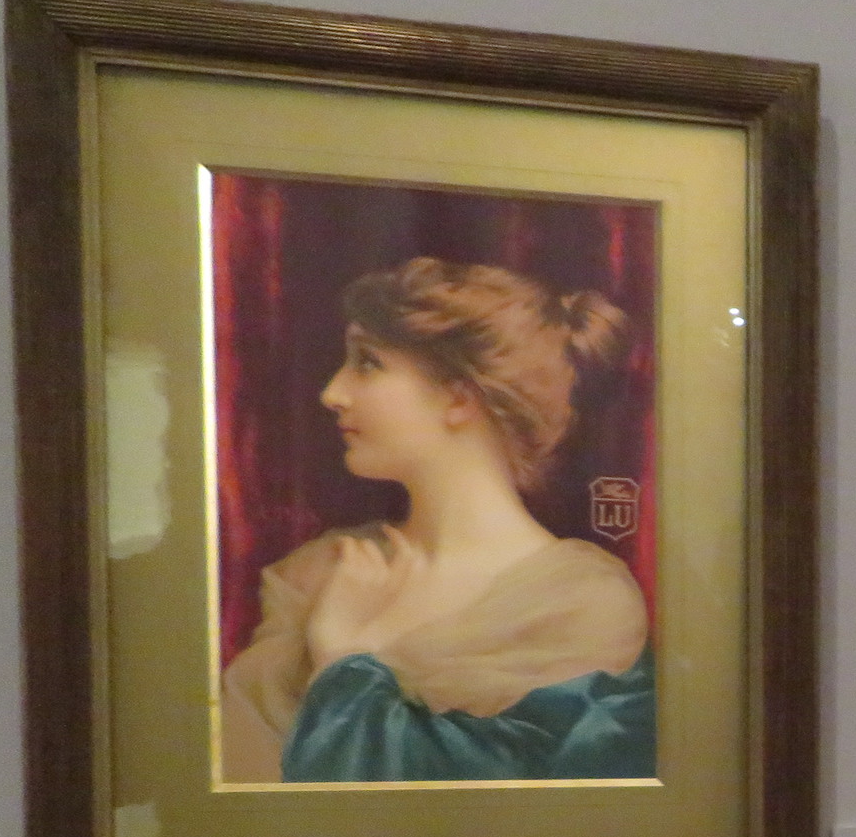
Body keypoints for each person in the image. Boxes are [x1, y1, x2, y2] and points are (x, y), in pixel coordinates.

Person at [220, 256, 655, 783]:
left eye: (367, 363)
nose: (332, 393)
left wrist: (341, 658)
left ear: (458, 397)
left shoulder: (582, 605)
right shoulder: (320, 571)